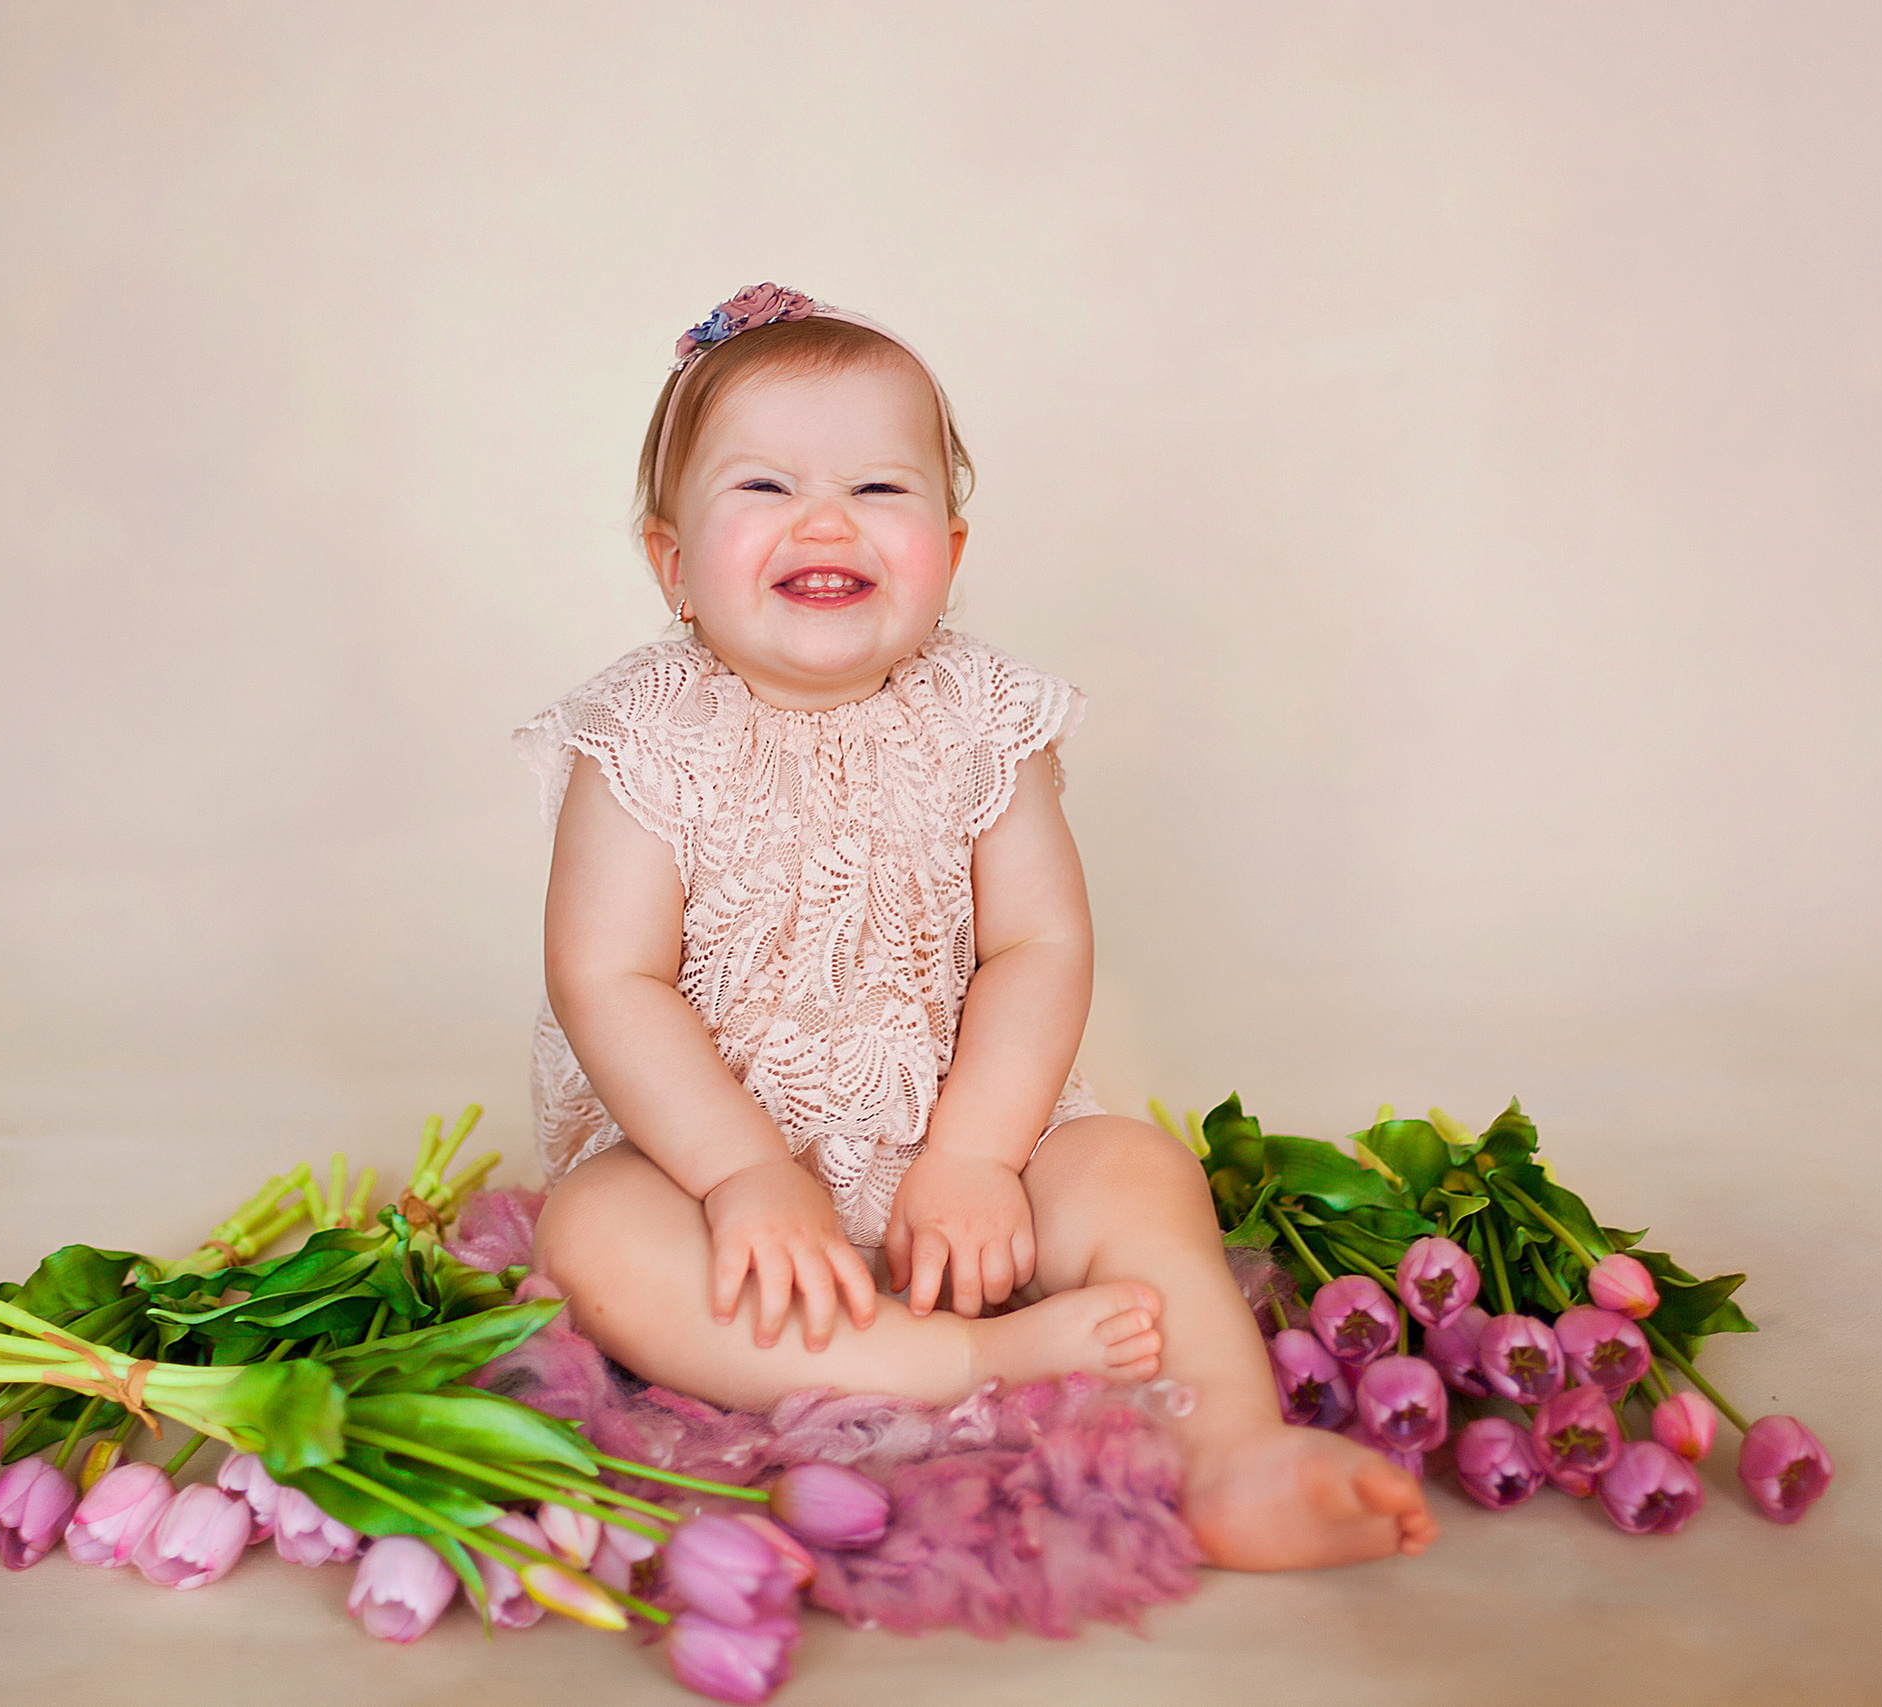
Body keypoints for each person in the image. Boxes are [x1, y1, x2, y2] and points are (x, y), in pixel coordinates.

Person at [518, 284, 1435, 1570]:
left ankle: (1232, 1444)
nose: (826, 519)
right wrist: (743, 1176)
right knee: (594, 1242)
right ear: (672, 564)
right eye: (766, 490)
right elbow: (606, 978)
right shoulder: (642, 739)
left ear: (949, 548)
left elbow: (1037, 947)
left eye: (881, 492)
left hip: (960, 1137)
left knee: (1132, 1170)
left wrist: (974, 1157)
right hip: (705, 1162)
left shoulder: (981, 719)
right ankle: (956, 1358)